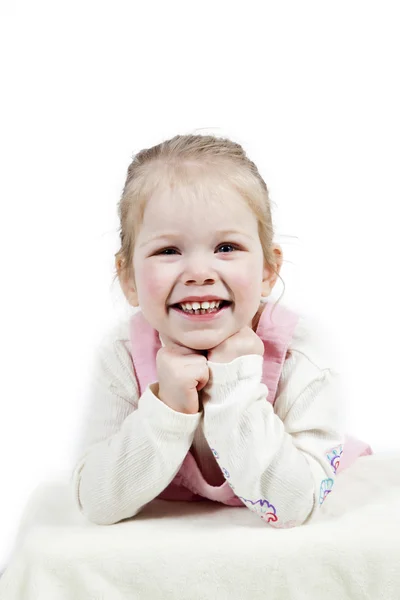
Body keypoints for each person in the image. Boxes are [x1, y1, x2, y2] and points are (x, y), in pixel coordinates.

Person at [70, 133, 372, 528]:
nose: (198, 273)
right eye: (168, 251)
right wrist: (168, 406)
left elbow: (293, 507)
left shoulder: (304, 356)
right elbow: (96, 503)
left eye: (226, 247)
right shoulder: (124, 354)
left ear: (268, 270)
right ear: (128, 278)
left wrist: (235, 386)